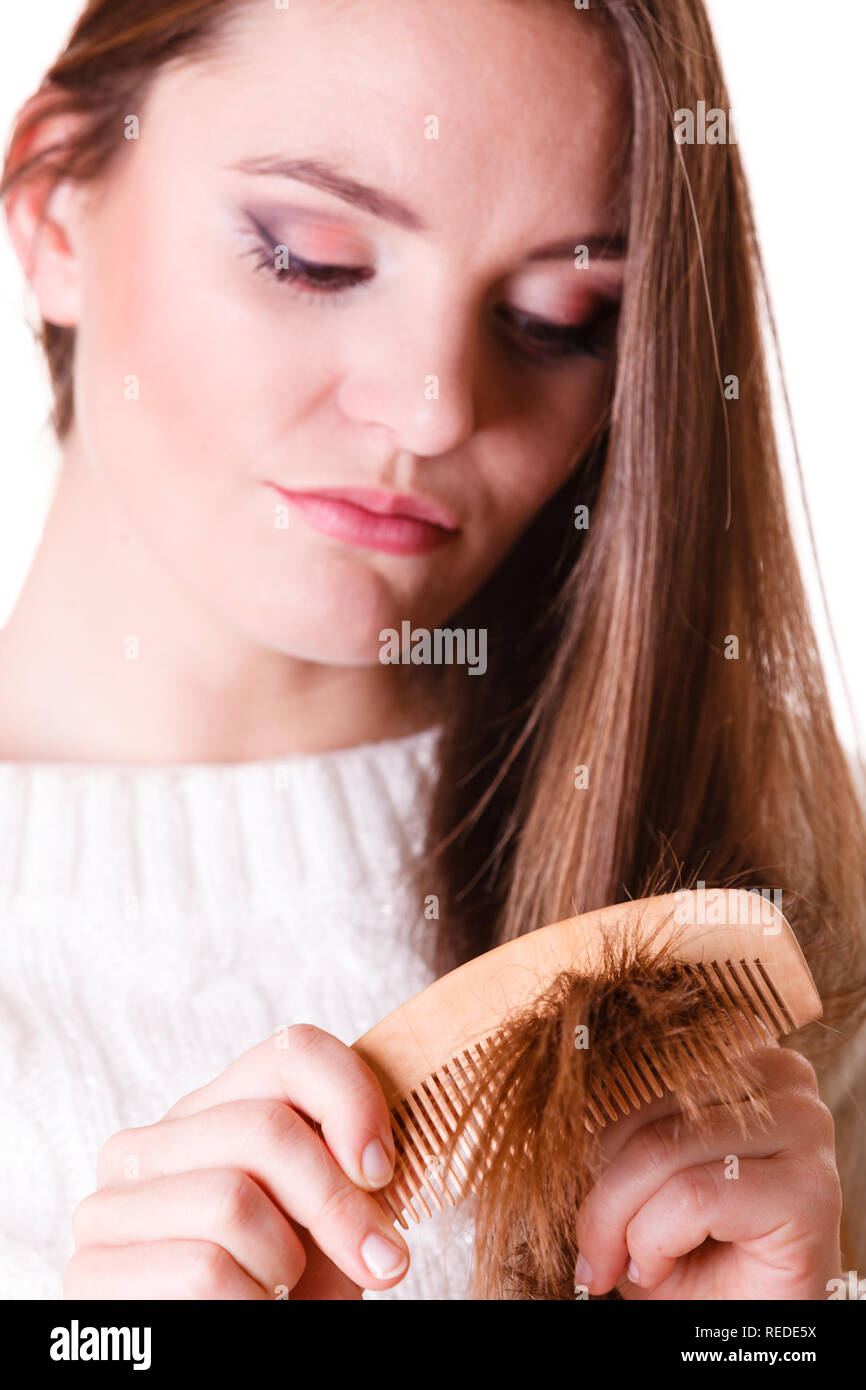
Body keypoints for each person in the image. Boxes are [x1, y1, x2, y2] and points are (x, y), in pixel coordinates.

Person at [0, 0, 863, 1301]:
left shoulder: (758, 921)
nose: (431, 403)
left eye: (558, 317)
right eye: (314, 256)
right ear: (54, 204)